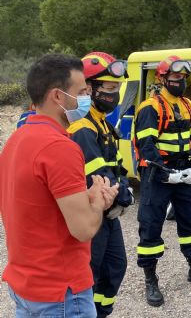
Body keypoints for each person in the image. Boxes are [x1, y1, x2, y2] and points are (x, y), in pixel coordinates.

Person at [0, 54, 118, 317]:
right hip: (61, 294)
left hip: (26, 287)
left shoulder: (17, 139)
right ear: (57, 96)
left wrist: (84, 196)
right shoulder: (59, 147)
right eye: (81, 92)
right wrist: (98, 203)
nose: (86, 99)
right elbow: (84, 229)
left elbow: (39, 205)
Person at [134, 55, 191, 307]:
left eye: (183, 78)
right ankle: (150, 280)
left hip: (184, 172)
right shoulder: (149, 107)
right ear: (162, 79)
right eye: (175, 78)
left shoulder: (187, 104)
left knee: (189, 221)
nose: (180, 82)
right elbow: (146, 145)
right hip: (158, 175)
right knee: (151, 225)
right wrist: (165, 173)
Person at [67, 52, 133, 317]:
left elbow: (117, 165)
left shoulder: (101, 123)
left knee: (115, 266)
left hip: (109, 212)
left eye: (116, 88)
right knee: (91, 272)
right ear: (90, 88)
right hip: (94, 211)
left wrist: (124, 190)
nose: (114, 94)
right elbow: (95, 173)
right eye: (109, 88)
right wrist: (122, 197)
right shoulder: (83, 126)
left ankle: (101, 312)